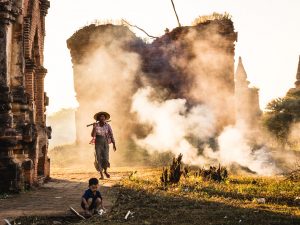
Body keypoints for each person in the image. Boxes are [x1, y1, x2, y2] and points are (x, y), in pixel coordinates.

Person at [90, 111, 117, 179]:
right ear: (98, 119)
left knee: (106, 157)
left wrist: (114, 144)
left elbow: (111, 134)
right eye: (101, 117)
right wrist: (94, 127)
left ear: (105, 119)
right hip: (98, 142)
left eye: (103, 117)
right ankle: (101, 174)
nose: (102, 118)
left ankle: (105, 171)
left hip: (105, 142)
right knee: (98, 158)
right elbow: (92, 135)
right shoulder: (96, 125)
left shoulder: (107, 125)